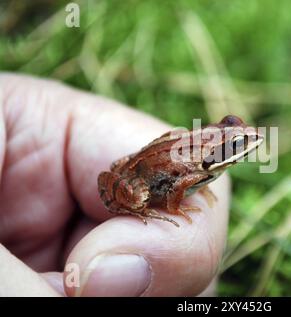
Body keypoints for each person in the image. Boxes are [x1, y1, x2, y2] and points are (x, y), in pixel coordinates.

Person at [0, 74, 230, 297]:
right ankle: (134, 206)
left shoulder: (205, 164)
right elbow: (182, 183)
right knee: (141, 199)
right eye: (234, 144)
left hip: (135, 165)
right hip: (141, 179)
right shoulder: (199, 168)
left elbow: (191, 176)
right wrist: (174, 209)